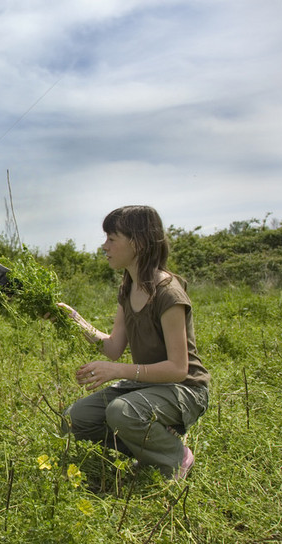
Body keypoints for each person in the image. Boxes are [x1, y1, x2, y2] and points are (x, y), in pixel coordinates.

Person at [57, 205, 209, 480]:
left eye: (111, 239)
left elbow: (177, 369)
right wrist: (74, 319)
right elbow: (114, 347)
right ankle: (150, 451)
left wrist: (118, 372)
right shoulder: (128, 288)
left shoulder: (168, 294)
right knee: (74, 419)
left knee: (121, 412)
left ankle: (175, 457)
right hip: (147, 385)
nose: (104, 246)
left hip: (185, 389)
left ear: (138, 243)